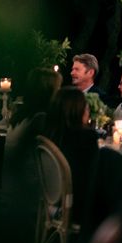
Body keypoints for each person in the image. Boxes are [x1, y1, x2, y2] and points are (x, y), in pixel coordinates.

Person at [0, 67, 62, 243]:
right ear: (49, 91)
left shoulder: (21, 115)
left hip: (10, 186)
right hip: (30, 194)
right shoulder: (41, 119)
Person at [45, 87, 99, 226]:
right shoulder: (86, 137)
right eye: (86, 108)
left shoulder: (48, 134)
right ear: (77, 110)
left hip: (51, 197)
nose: (88, 112)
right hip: (76, 206)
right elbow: (91, 175)